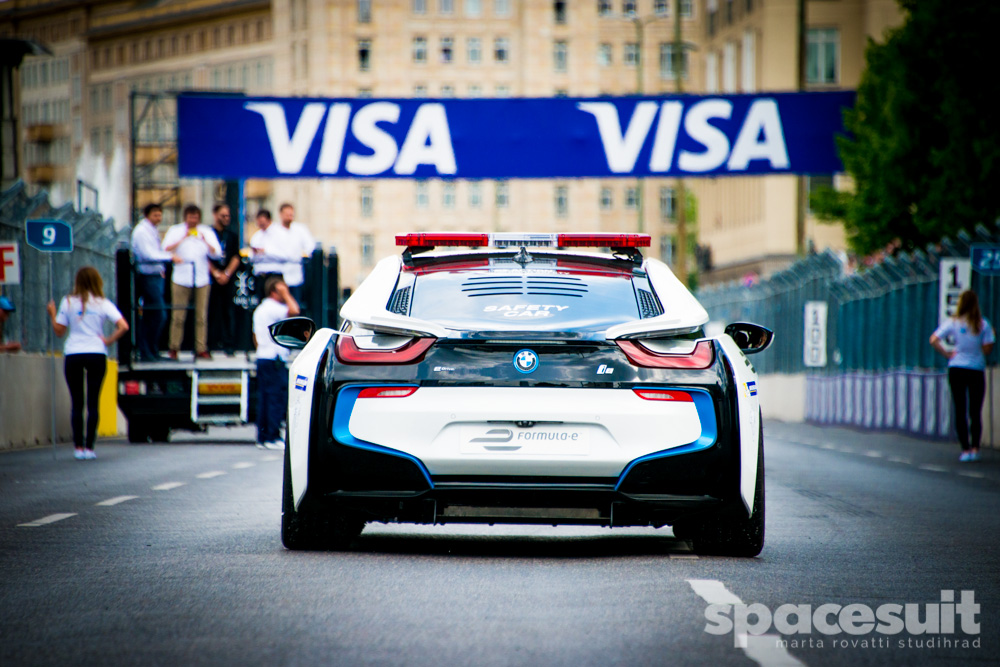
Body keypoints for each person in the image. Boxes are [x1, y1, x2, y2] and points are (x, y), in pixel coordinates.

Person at [46, 267, 129, 460]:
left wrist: (52, 313)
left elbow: (59, 331)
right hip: (96, 352)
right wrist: (108, 340)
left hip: (74, 352)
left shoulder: (67, 302)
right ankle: (90, 448)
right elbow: (123, 325)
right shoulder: (103, 303)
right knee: (93, 401)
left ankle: (78, 447)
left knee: (77, 402)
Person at [931, 290, 996, 462]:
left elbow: (934, 339)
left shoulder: (953, 322)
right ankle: (975, 448)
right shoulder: (983, 324)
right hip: (976, 368)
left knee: (960, 408)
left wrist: (947, 353)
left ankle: (965, 449)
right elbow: (989, 348)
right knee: (975, 410)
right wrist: (977, 349)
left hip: (957, 367)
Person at [162, 204, 222, 360]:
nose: (193, 220)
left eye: (196, 217)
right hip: (181, 277)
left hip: (202, 278)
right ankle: (174, 347)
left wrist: (204, 240)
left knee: (201, 316)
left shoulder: (206, 232)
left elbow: (217, 254)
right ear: (185, 217)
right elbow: (165, 249)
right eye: (190, 217)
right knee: (178, 316)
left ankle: (201, 347)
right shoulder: (176, 231)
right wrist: (183, 238)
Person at [252, 275, 299, 450]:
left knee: (264, 398)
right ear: (274, 291)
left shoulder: (260, 309)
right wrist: (286, 294)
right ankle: (272, 436)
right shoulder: (274, 308)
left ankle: (262, 437)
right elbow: (294, 310)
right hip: (274, 359)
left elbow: (255, 337)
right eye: (281, 290)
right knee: (275, 398)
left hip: (262, 356)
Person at [130, 203, 177, 361]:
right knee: (157, 314)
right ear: (147, 215)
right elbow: (149, 254)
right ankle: (146, 351)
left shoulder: (152, 230)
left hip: (156, 275)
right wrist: (170, 257)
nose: (159, 218)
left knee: (154, 314)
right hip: (148, 276)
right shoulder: (142, 232)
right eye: (155, 215)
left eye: (160, 214)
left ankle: (153, 350)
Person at [207, 203, 241, 355]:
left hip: (227, 278)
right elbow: (204, 256)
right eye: (223, 216)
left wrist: (227, 273)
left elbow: (236, 256)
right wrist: (215, 272)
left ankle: (229, 344)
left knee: (229, 311)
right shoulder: (208, 233)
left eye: (228, 216)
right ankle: (210, 343)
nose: (226, 219)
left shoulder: (232, 235)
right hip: (211, 278)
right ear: (215, 215)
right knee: (211, 311)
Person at [249, 208, 294, 301]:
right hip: (260, 275)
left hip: (274, 275)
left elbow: (286, 255)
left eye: (263, 222)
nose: (261, 224)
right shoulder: (257, 236)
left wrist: (266, 252)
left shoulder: (280, 234)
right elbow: (251, 258)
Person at [278, 202, 315, 303]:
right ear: (281, 214)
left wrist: (303, 257)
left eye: (291, 214)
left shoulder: (300, 229)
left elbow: (310, 246)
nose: (290, 217)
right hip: (279, 273)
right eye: (287, 214)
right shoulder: (275, 230)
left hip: (295, 273)